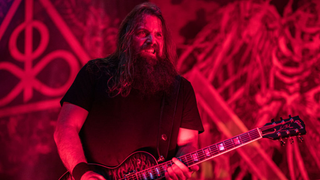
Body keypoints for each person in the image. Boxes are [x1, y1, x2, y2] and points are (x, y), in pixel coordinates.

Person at [54, 2, 204, 180]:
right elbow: (65, 128)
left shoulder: (181, 90)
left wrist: (181, 165)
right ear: (127, 38)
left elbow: (188, 143)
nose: (152, 41)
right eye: (143, 33)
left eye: (158, 35)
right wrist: (83, 173)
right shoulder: (95, 73)